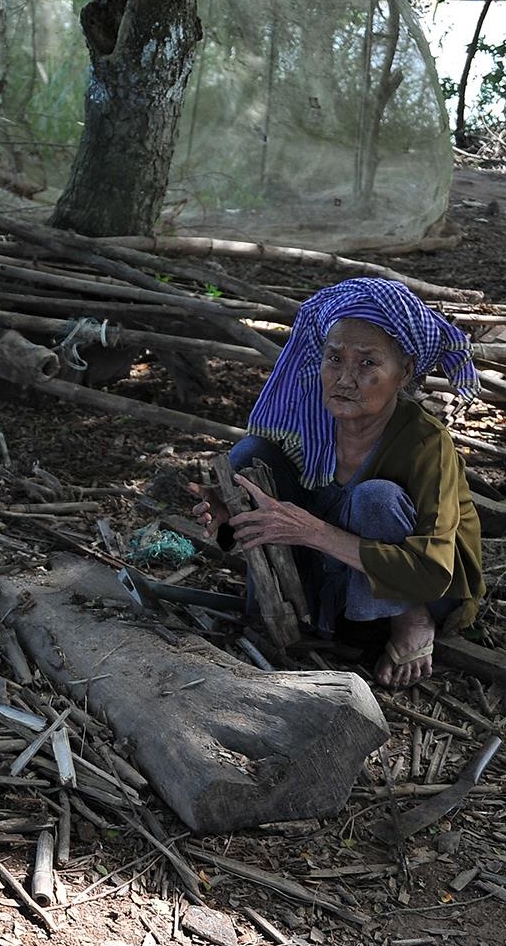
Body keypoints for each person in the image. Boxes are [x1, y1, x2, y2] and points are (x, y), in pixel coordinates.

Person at [192, 277, 485, 686]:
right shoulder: (306, 421)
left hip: (416, 589)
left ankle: (409, 620)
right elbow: (272, 506)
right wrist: (229, 513)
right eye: (334, 359)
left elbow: (434, 571)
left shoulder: (425, 443)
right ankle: (291, 614)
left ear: (405, 372)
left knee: (376, 499)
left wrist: (313, 532)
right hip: (331, 578)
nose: (344, 379)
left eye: (367, 363)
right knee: (249, 455)